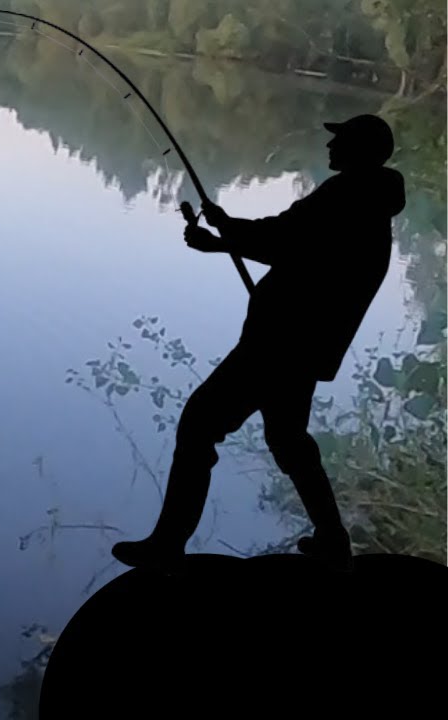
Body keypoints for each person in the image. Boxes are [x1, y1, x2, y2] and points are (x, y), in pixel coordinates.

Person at [112, 113, 406, 573]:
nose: (330, 147)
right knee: (289, 441)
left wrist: (227, 229)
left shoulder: (347, 194)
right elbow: (299, 250)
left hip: (278, 346)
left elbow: (284, 238)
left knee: (198, 425)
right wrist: (224, 238)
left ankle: (168, 544)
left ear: (361, 150)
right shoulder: (372, 206)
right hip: (302, 350)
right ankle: (333, 538)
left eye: (340, 140)